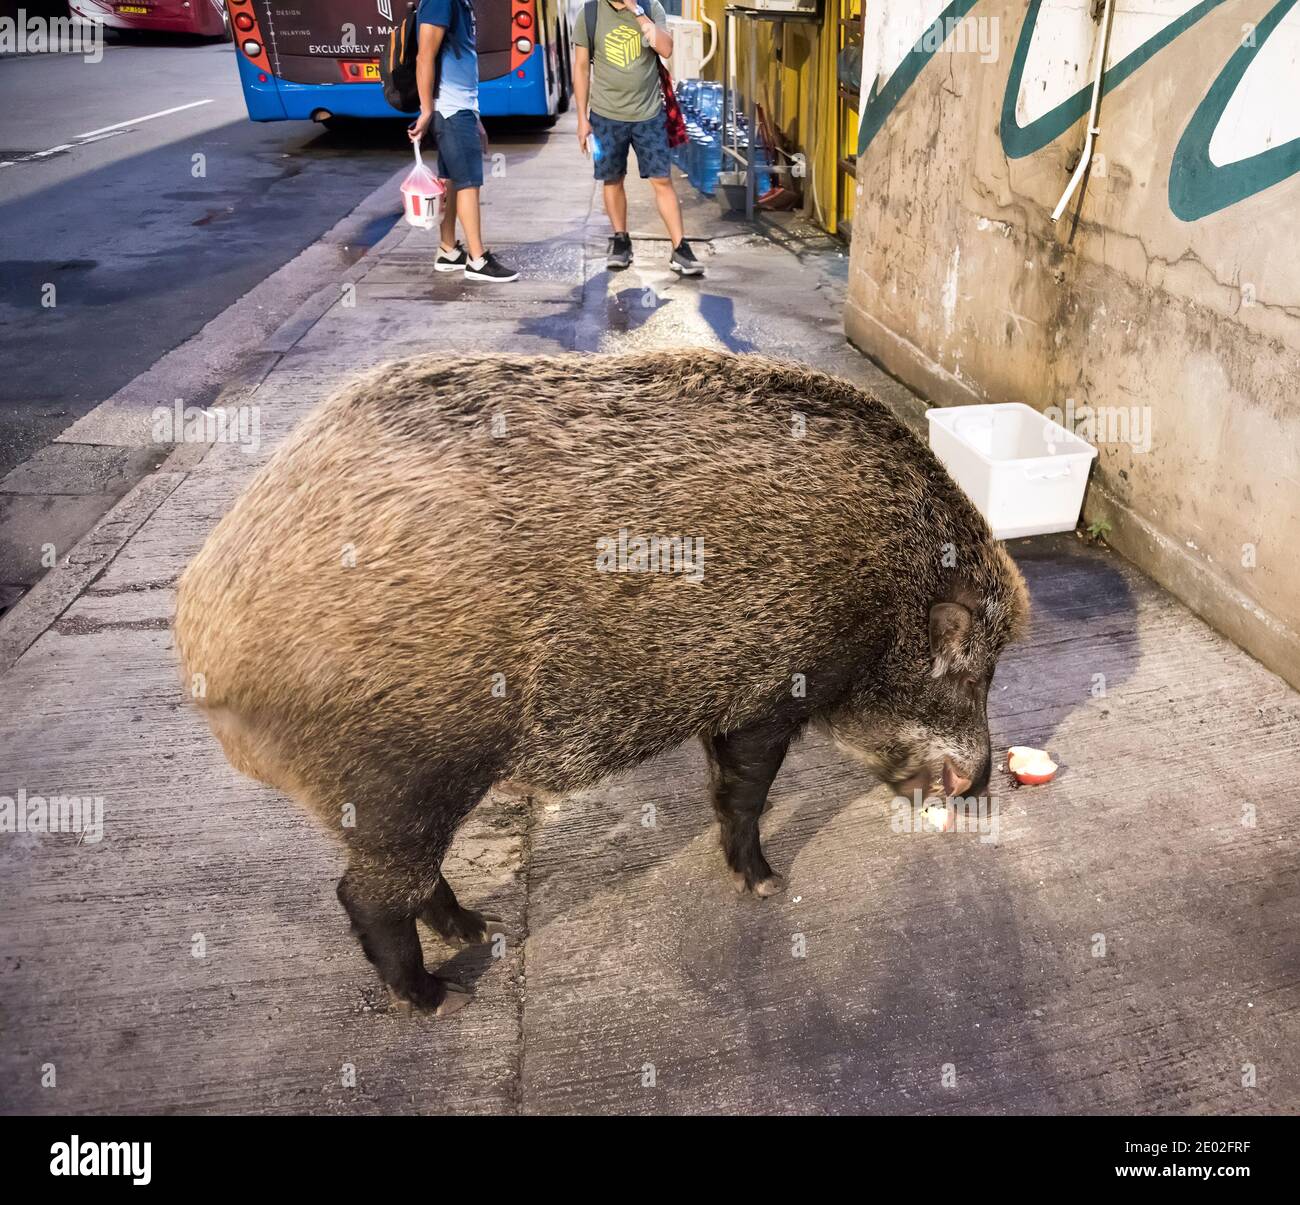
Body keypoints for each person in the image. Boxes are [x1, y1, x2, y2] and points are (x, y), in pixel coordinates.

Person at [573, 0, 704, 276]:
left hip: (649, 113)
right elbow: (582, 67)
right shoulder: (590, 13)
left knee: (662, 179)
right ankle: (621, 240)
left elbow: (666, 49)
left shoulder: (650, 7)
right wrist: (582, 118)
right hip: (606, 115)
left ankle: (680, 248)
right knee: (612, 178)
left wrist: (637, 11)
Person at [407, 0, 517, 283]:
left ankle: (448, 250)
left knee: (452, 179)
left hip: (459, 107)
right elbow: (424, 56)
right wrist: (426, 110)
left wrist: (475, 115)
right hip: (450, 108)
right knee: (468, 181)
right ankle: (477, 259)